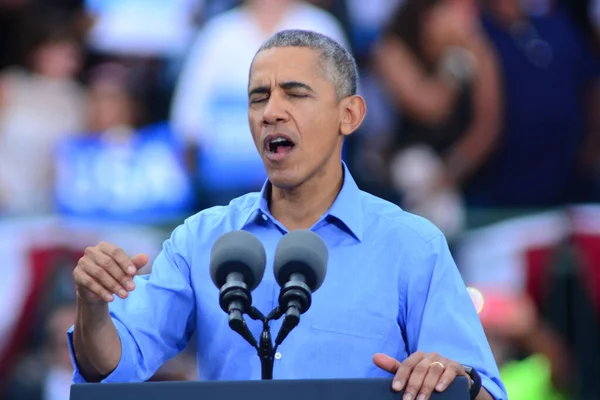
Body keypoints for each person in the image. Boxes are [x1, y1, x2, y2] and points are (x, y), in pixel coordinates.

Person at [69, 30, 507, 400]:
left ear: (349, 115)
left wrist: (456, 382)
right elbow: (111, 370)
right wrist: (92, 307)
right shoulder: (200, 239)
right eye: (258, 98)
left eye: (295, 94)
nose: (271, 112)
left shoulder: (413, 245)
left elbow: (481, 390)